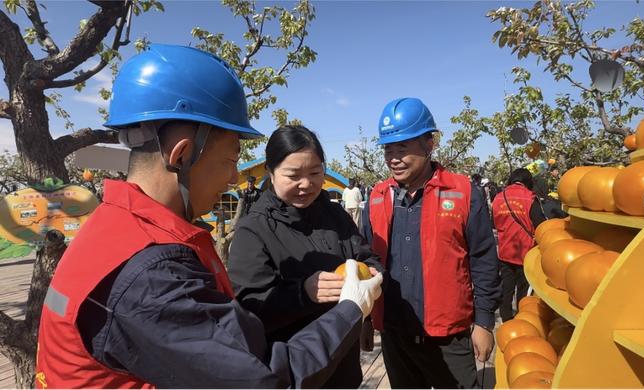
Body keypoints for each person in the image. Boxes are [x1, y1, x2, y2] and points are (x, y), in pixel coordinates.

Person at [35, 44, 382, 389]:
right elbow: (262, 379)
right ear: (183, 154)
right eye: (230, 161)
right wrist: (350, 308)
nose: (234, 179)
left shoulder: (118, 230)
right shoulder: (152, 273)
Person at [228, 125, 383, 388]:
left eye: (315, 173)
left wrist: (372, 276)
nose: (306, 184)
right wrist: (303, 293)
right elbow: (249, 310)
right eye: (293, 175)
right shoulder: (253, 230)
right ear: (271, 172)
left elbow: (366, 257)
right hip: (292, 372)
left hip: (343, 365)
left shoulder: (336, 216)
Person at [361, 97, 501, 388]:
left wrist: (485, 322)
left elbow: (484, 259)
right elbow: (365, 261)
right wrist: (364, 319)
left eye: (403, 148)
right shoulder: (376, 197)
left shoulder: (462, 192)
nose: (393, 158)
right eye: (388, 149)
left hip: (448, 336)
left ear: (429, 144)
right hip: (394, 333)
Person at [491, 168, 546, 321]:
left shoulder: (498, 197)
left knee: (506, 288)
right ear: (528, 182)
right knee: (523, 289)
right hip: (526, 252)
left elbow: (494, 224)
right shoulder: (530, 198)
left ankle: (506, 318)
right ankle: (521, 320)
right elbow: (540, 225)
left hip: (505, 252)